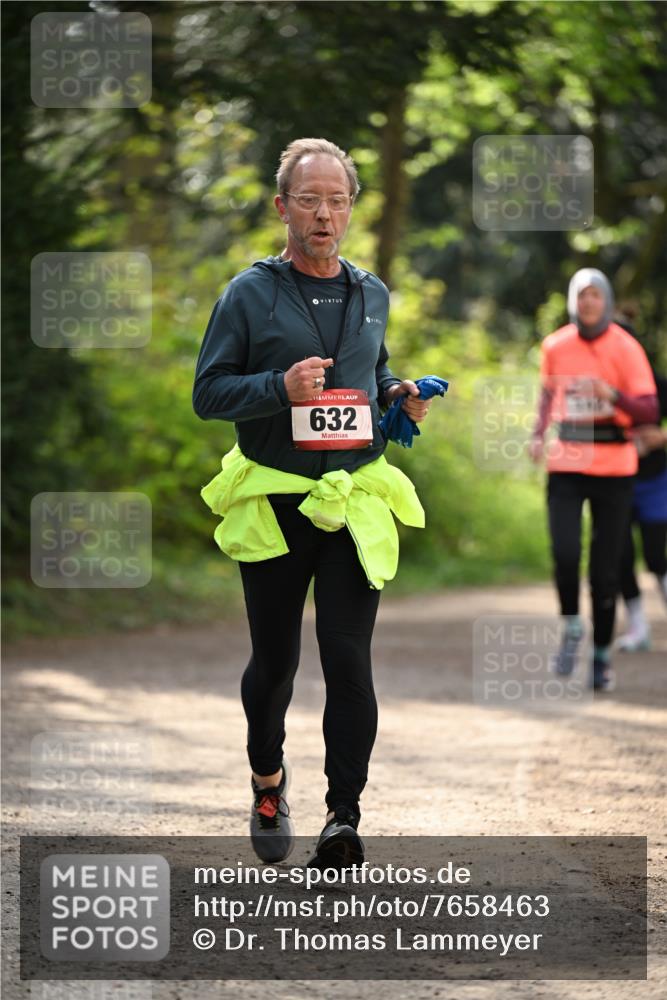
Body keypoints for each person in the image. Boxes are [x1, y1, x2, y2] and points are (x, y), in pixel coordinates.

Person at [193, 138, 433, 868]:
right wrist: (278, 387)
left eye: (336, 200)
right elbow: (208, 393)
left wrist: (397, 394)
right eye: (309, 200)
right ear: (282, 207)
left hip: (352, 499)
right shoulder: (249, 294)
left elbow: (371, 370)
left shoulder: (372, 293)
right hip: (276, 500)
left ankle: (342, 818)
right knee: (275, 662)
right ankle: (268, 784)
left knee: (348, 659)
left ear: (351, 207)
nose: (323, 214)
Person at [529, 268, 659, 691]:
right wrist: (537, 434)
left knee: (604, 572)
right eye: (581, 295)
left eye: (595, 295)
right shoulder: (556, 345)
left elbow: (649, 410)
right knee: (565, 554)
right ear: (573, 300)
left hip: (615, 467)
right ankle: (571, 626)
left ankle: (601, 654)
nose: (587, 302)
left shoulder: (626, 347)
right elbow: (548, 395)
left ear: (606, 300)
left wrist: (612, 395)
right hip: (567, 461)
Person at [614, 305, 667, 650]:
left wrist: (662, 437)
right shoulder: (599, 389)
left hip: (655, 479)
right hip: (613, 481)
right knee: (619, 556)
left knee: (655, 555)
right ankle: (637, 628)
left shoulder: (657, 384)